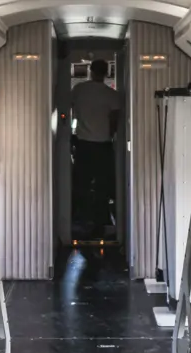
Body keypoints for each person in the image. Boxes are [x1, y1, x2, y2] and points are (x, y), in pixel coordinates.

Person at [71, 59, 122, 239]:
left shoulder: (79, 90)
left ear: (90, 71)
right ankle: (101, 222)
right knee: (102, 185)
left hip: (83, 143)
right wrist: (109, 134)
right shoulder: (112, 95)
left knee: (82, 183)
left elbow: (69, 111)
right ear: (107, 73)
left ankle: (81, 219)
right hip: (103, 144)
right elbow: (115, 122)